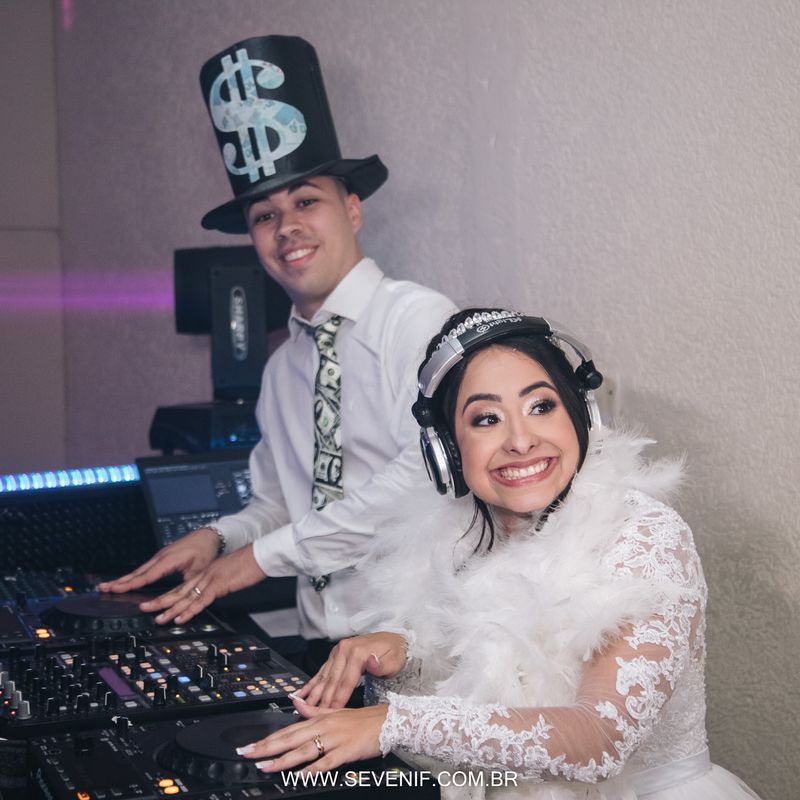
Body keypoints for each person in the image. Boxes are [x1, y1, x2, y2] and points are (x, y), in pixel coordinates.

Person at [235, 308, 762, 799]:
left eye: (541, 406)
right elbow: (502, 654)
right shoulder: (468, 534)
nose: (520, 440)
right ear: (445, 449)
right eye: (486, 419)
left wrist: (392, 722)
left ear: (581, 415)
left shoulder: (646, 535)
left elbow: (600, 737)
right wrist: (407, 651)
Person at [99, 35, 454, 671]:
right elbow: (281, 502)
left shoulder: (419, 321)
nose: (286, 227)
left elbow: (428, 474)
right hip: (321, 649)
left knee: (395, 782)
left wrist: (258, 561)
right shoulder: (282, 369)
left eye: (306, 202)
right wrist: (217, 538)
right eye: (265, 215)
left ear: (352, 209)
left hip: (418, 650)